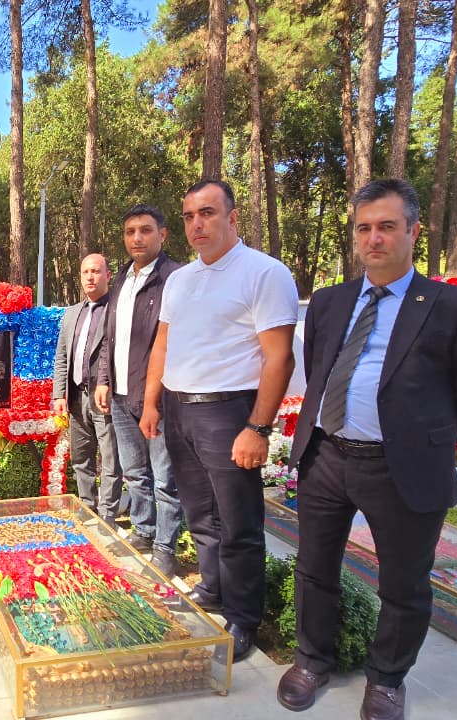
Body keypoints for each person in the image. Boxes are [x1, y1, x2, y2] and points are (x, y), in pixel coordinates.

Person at [276, 179, 457, 719]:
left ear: (413, 231)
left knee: (403, 583)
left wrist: (422, 436)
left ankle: (386, 680)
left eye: (386, 226)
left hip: (401, 468)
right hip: (326, 457)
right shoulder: (330, 302)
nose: (373, 239)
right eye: (364, 228)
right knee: (313, 569)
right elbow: (321, 370)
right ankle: (311, 660)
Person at [139, 180, 298, 661]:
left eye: (207, 213)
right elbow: (163, 345)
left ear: (232, 217)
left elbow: (279, 357)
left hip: (230, 412)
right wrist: (151, 403)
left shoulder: (264, 273)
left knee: (239, 521)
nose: (196, 224)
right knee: (201, 513)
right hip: (179, 408)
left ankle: (244, 616)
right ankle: (213, 588)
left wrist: (258, 428)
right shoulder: (181, 279)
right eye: (189, 216)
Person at [93, 204, 184, 577]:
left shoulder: (175, 278)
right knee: (135, 471)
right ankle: (144, 532)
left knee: (164, 477)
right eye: (130, 231)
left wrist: (154, 400)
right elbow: (110, 336)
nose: (137, 238)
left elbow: (172, 343)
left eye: (145, 230)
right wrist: (103, 379)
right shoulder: (121, 279)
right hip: (120, 394)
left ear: (162, 234)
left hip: (157, 399)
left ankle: (165, 547)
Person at [52, 253, 122, 525]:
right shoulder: (72, 314)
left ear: (107, 275)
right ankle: (87, 509)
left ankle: (107, 517)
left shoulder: (116, 310)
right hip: (76, 398)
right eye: (85, 272)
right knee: (81, 459)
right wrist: (58, 394)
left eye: (96, 271)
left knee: (110, 460)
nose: (90, 277)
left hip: (105, 398)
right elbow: (62, 356)